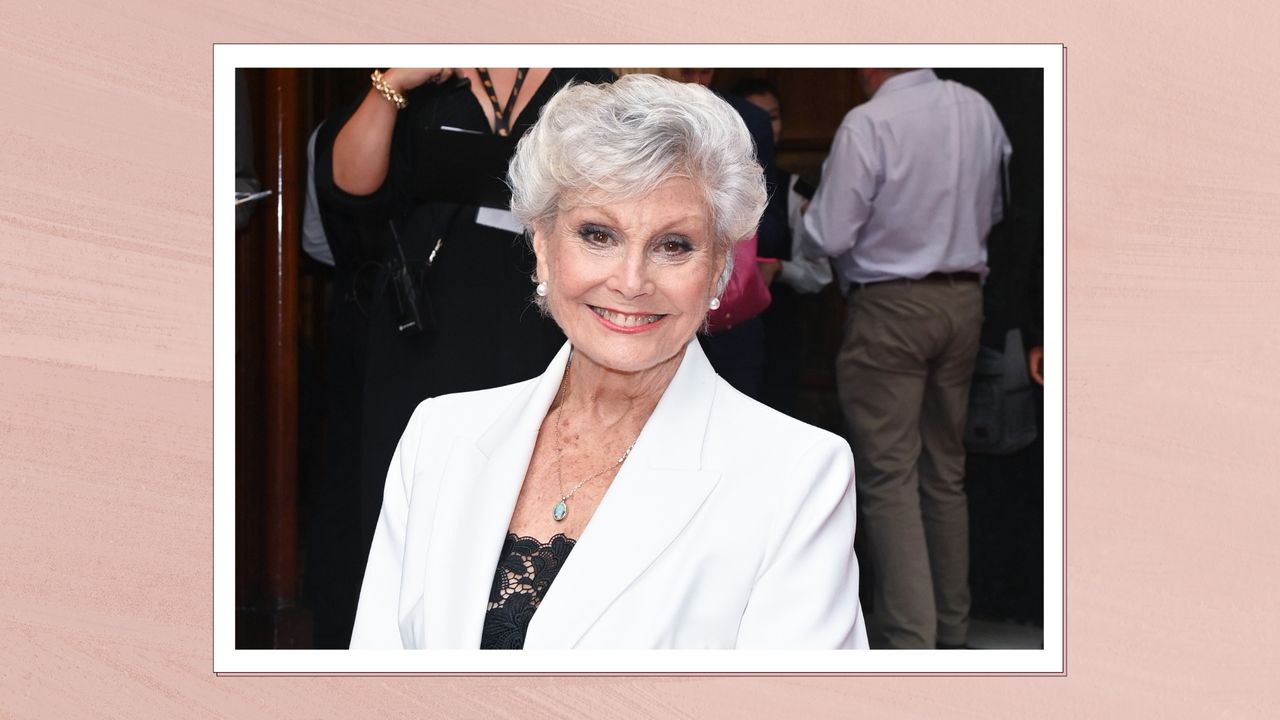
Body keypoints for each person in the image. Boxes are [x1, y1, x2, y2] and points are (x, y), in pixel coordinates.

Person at [350, 74, 868, 650]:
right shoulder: (439, 437)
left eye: (674, 245)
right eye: (597, 235)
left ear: (720, 265)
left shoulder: (798, 475)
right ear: (543, 247)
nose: (630, 282)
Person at [311, 67, 613, 646]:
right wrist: (392, 81)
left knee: (525, 474)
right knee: (412, 483)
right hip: (422, 314)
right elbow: (349, 187)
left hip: (543, 313)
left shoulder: (588, 76)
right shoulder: (431, 73)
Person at [802, 68, 1011, 649]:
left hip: (890, 305)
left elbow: (831, 233)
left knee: (890, 474)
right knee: (945, 468)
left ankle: (909, 639)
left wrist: (803, 226)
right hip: (964, 299)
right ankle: (950, 626)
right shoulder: (978, 109)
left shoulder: (868, 122)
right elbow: (995, 211)